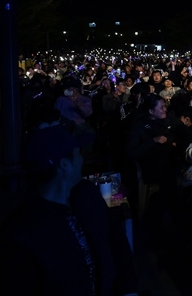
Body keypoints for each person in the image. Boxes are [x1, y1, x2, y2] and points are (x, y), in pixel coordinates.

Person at [0, 126, 137, 296]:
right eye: (78, 153)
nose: (83, 158)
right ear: (65, 165)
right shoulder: (21, 235)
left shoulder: (87, 194)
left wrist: (128, 289)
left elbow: (116, 239)